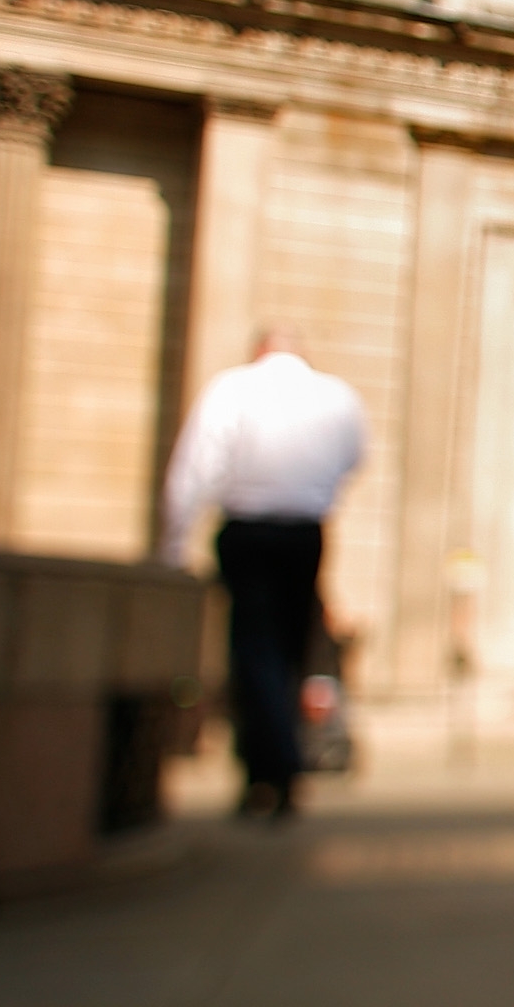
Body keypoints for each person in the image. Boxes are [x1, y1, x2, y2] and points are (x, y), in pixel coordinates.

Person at [160, 325, 368, 820]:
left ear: (259, 351)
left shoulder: (233, 388)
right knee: (290, 648)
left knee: (254, 649)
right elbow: (355, 458)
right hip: (304, 532)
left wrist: (174, 543)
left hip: (248, 529)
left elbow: (195, 466)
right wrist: (316, 491)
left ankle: (269, 768)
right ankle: (279, 764)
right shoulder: (336, 397)